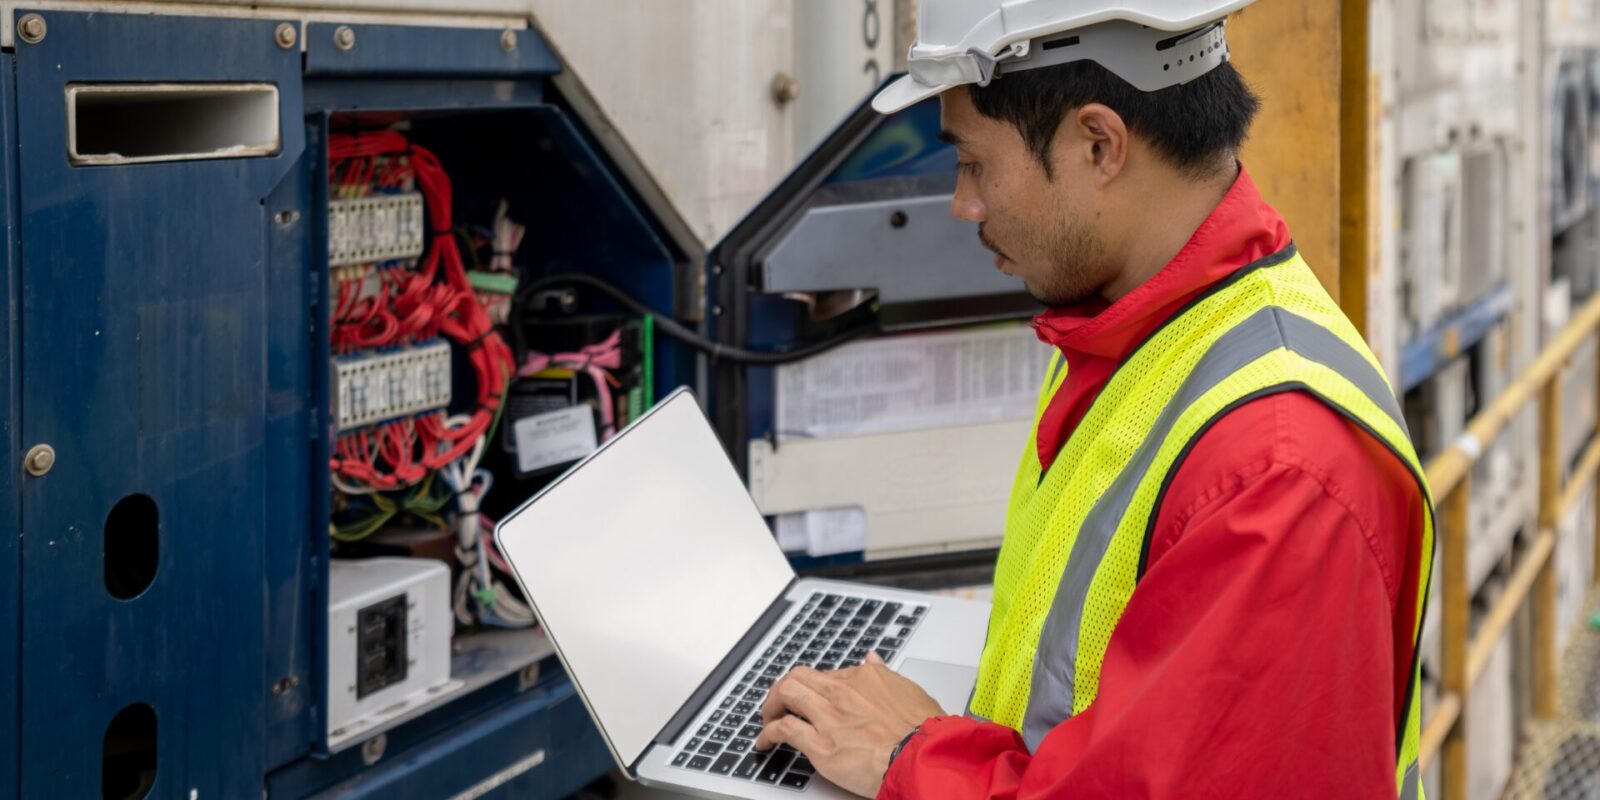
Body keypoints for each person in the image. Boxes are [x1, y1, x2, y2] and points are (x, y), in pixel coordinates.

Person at [752, 2, 1435, 798]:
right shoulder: (1130, 333)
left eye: (973, 163)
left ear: (1098, 144)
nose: (963, 204)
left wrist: (913, 756)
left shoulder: (1276, 473)